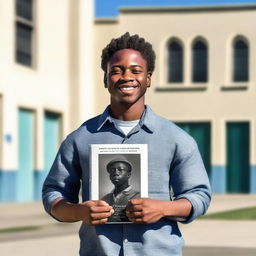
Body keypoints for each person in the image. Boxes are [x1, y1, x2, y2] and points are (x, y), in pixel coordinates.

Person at [42, 32, 211, 256]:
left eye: (135, 70)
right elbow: (54, 193)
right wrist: (79, 212)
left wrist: (162, 208)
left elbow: (199, 195)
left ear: (148, 78)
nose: (126, 76)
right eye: (116, 71)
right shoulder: (79, 138)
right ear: (105, 79)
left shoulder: (176, 138)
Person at [101, 157, 140, 222]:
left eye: (120, 170)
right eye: (112, 170)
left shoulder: (138, 196)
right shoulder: (104, 199)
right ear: (109, 176)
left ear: (128, 175)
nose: (116, 173)